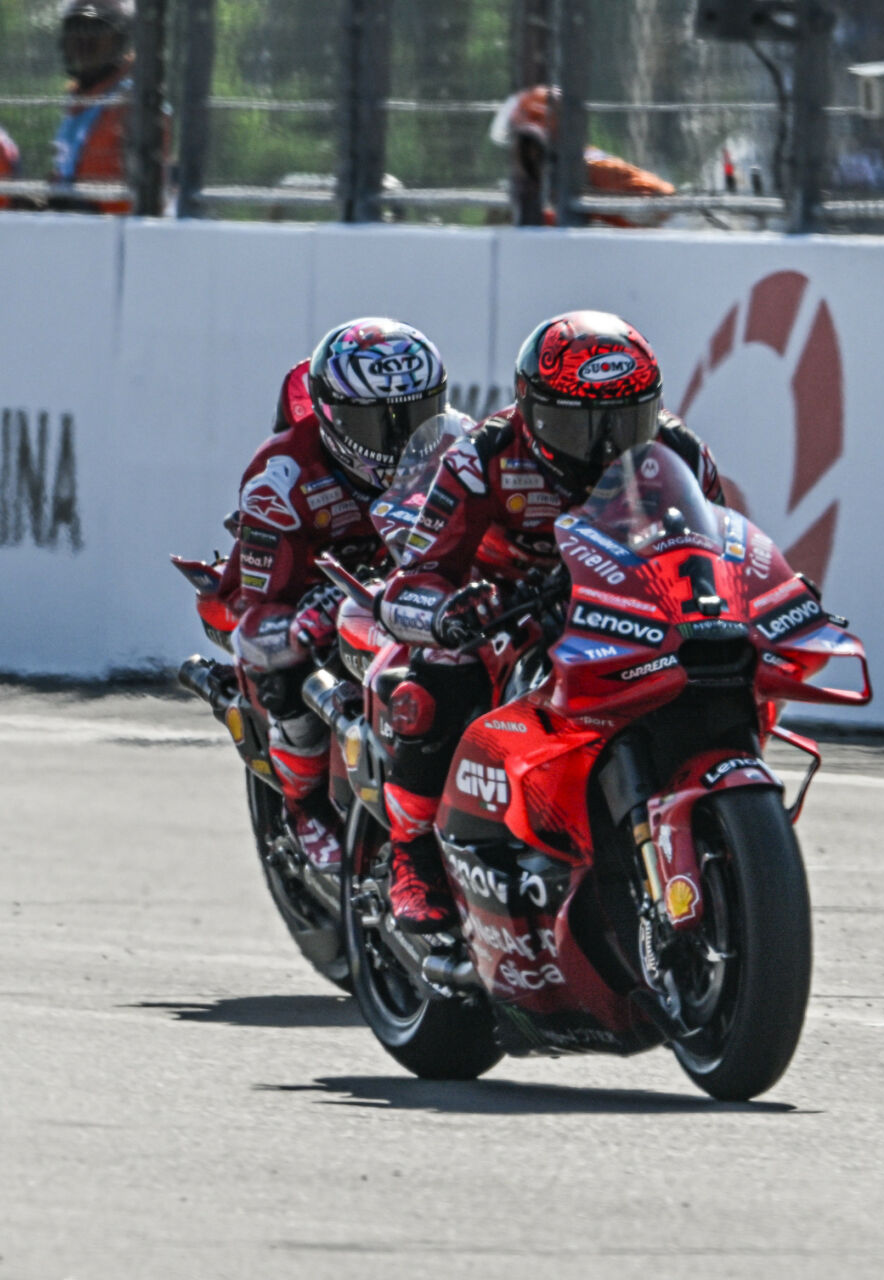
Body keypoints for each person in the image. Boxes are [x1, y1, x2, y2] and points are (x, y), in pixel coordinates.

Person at [374, 310, 725, 931]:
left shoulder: (681, 451)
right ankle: (412, 855)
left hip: (627, 605)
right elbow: (415, 577)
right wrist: (451, 611)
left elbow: (720, 550)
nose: (604, 449)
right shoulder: (481, 456)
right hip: (510, 610)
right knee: (435, 683)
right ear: (530, 410)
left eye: (625, 423)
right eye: (578, 426)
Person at [229, 320, 450, 872]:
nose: (400, 438)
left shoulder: (455, 452)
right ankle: (303, 806)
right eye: (375, 423)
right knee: (282, 658)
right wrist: (307, 612)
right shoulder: (280, 475)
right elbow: (255, 609)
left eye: (416, 415)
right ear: (330, 416)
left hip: (403, 596)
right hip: (293, 598)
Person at [490, 87, 676, 228]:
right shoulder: (547, 178)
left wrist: (592, 203)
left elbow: (666, 207)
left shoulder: (595, 168)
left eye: (525, 146)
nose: (520, 159)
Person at [49, 0, 140, 214]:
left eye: (97, 28)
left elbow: (150, 197)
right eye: (76, 28)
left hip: (115, 236)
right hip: (74, 233)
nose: (83, 39)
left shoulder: (136, 103)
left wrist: (84, 206)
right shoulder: (78, 98)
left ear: (120, 39)